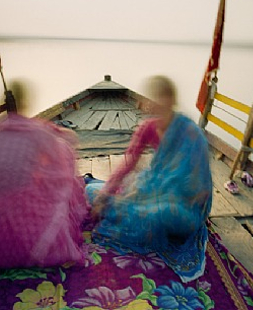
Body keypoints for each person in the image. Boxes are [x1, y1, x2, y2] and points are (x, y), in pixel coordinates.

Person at [86, 75, 213, 282]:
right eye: (151, 98)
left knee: (159, 213)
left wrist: (159, 192)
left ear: (171, 100)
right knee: (93, 192)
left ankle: (130, 213)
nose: (154, 103)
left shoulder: (190, 132)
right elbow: (128, 165)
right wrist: (105, 196)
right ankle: (126, 209)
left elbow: (198, 184)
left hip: (184, 205)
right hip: (153, 188)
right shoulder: (147, 128)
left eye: (160, 97)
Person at [0, 79, 89, 269]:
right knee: (64, 159)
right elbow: (60, 177)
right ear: (26, 103)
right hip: (30, 249)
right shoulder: (37, 133)